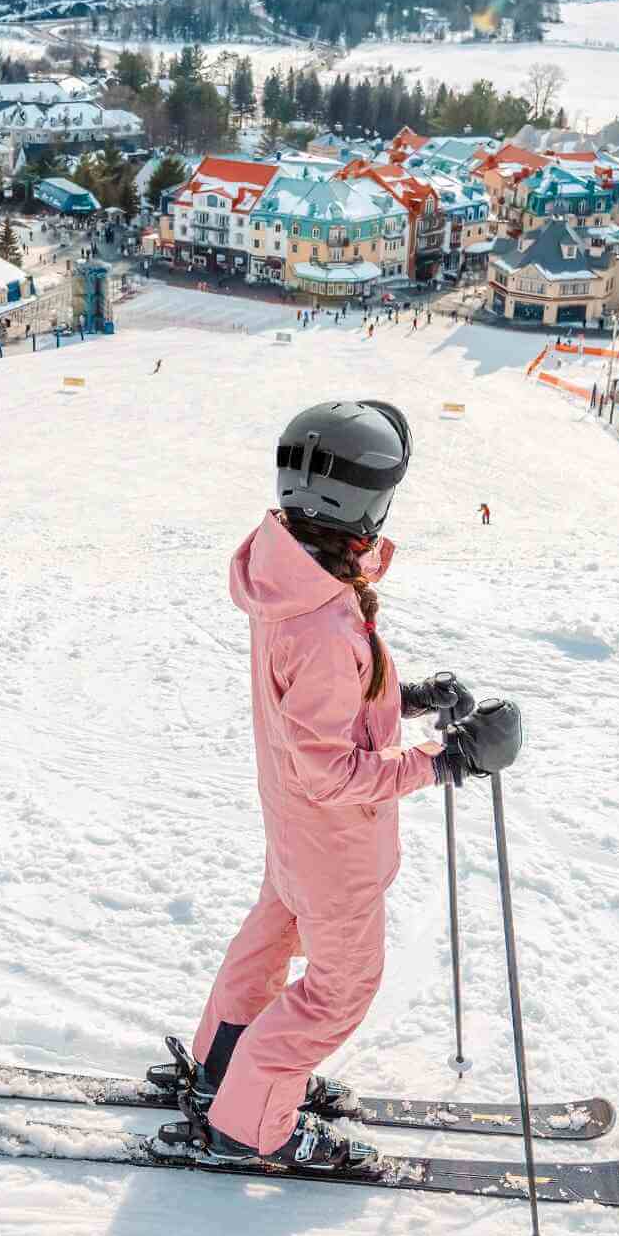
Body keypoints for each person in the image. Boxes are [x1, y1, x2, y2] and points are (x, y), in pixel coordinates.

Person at [163, 399, 526, 1173]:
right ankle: (252, 1122)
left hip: (295, 833)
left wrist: (409, 696)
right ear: (370, 504)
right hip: (333, 844)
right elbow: (330, 767)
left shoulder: (290, 582)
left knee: (269, 941)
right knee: (339, 989)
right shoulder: (325, 623)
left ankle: (226, 1067)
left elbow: (316, 716)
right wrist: (446, 760)